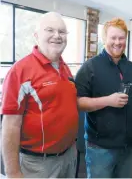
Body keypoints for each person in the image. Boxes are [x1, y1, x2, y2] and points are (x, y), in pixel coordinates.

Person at [1, 12, 78, 178]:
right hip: (38, 165)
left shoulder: (64, 67)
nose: (57, 36)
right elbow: (10, 126)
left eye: (62, 32)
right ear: (36, 36)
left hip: (69, 156)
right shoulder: (20, 71)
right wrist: (13, 172)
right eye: (50, 30)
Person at [75, 18, 132, 178]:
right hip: (100, 148)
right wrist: (108, 100)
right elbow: (78, 102)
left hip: (129, 146)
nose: (117, 42)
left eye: (121, 38)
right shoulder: (90, 67)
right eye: (113, 38)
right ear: (104, 39)